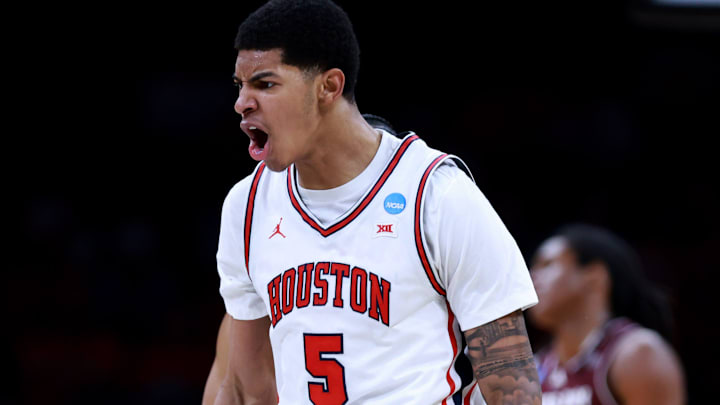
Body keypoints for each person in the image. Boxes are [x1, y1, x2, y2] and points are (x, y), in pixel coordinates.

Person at [214, 0, 541, 404]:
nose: (242, 102)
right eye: (239, 85)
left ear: (329, 87)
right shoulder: (246, 206)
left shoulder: (436, 194)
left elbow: (512, 385)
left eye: (265, 84)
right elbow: (247, 389)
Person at [528, 223, 686, 405]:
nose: (532, 278)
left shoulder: (635, 354)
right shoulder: (536, 368)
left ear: (594, 276)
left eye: (547, 265)